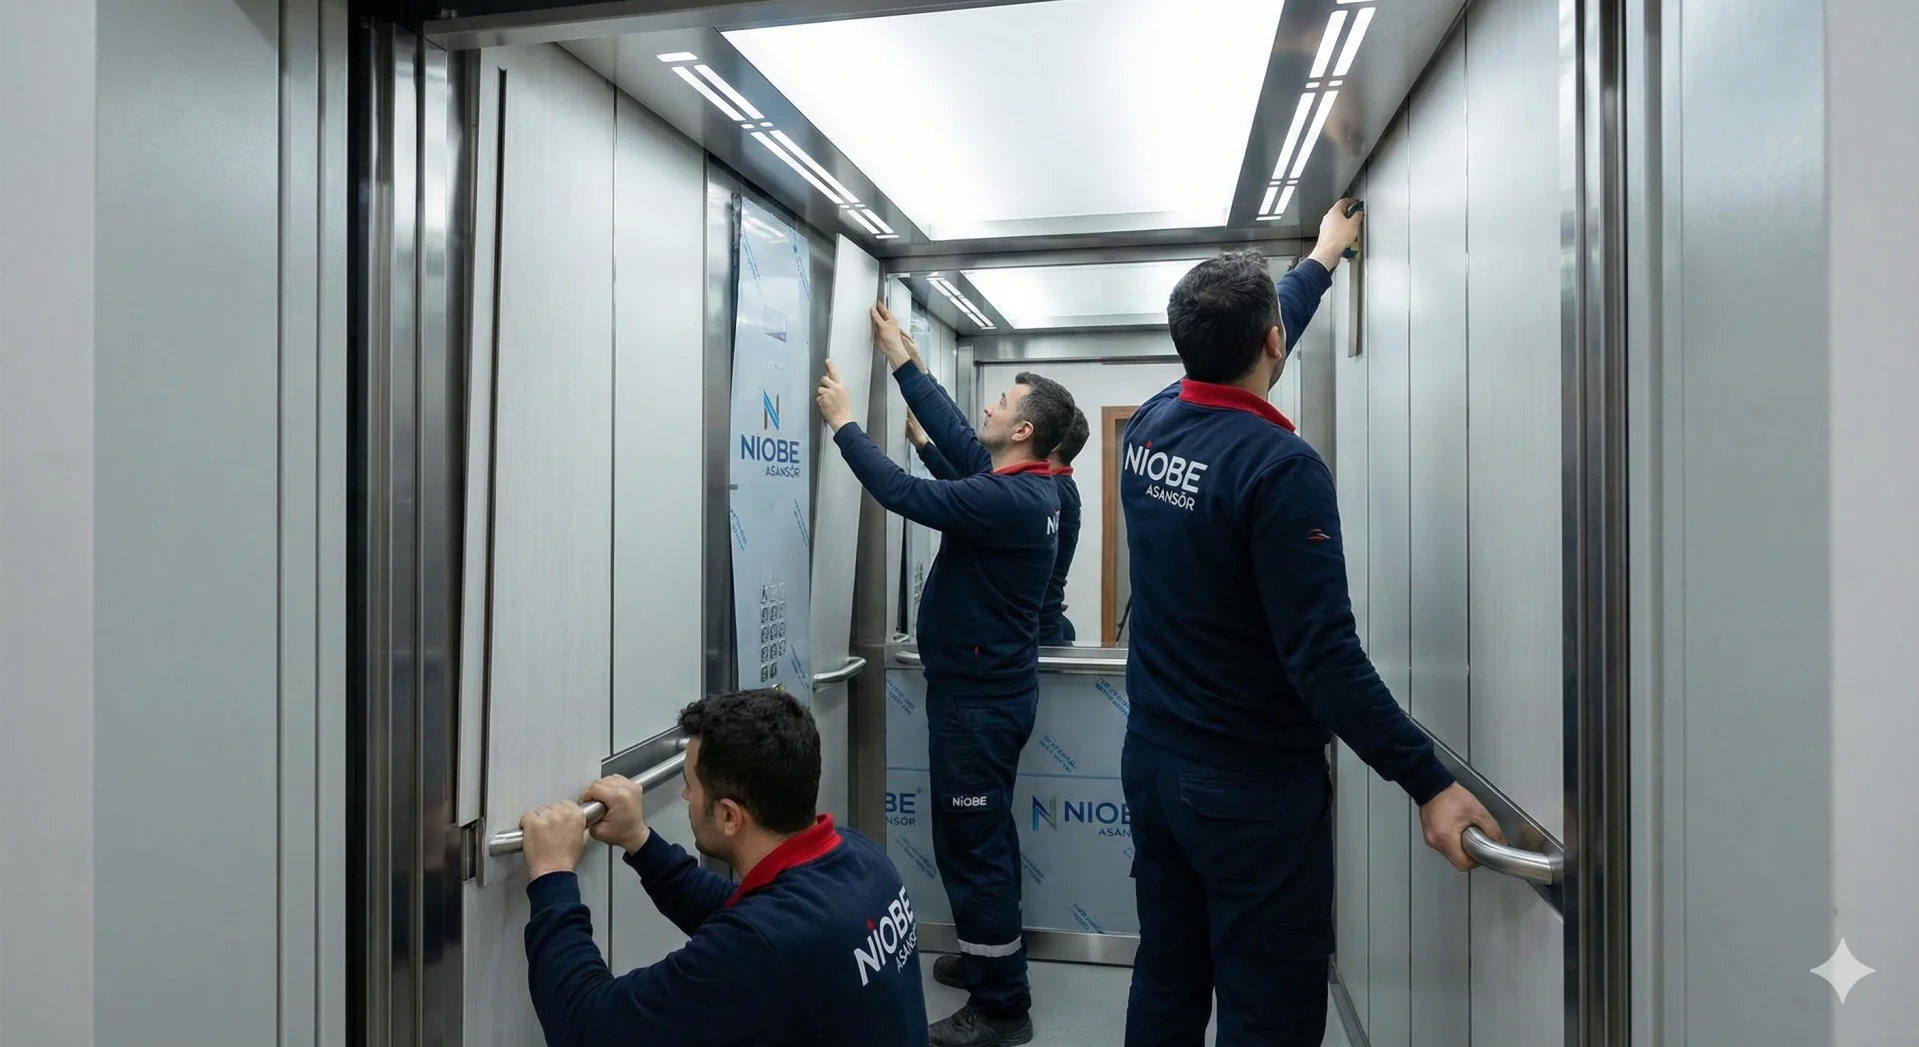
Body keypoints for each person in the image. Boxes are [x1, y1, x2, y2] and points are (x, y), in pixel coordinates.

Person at [1117, 200, 1503, 1045]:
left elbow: (1258, 332)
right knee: (1268, 1012)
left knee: (1167, 979)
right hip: (1246, 790)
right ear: (1270, 344)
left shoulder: (1147, 424)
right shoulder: (1277, 466)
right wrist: (1429, 782)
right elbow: (1322, 658)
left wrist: (1322, 260)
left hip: (1152, 766)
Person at [816, 304, 1076, 1047]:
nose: (988, 408)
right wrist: (903, 360)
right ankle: (990, 959)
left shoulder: (1010, 498)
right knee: (982, 839)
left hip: (978, 706)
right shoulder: (1027, 483)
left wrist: (844, 424)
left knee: (973, 848)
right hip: (987, 697)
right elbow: (959, 439)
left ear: (1023, 430)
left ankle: (1001, 1007)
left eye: (1002, 403)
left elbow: (904, 493)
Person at [515, 689, 929, 1047]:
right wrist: (639, 841)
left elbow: (588, 1027)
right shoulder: (861, 857)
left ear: (730, 816)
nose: (684, 795)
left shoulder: (767, 948)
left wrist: (553, 877)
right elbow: (739, 913)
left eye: (690, 785)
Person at [908, 405, 1088, 647]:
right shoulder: (1055, 488)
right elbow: (971, 490)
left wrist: (925, 448)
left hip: (1033, 634)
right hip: (1035, 627)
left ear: (1052, 443)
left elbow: (973, 498)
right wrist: (924, 446)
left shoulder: (1044, 492)